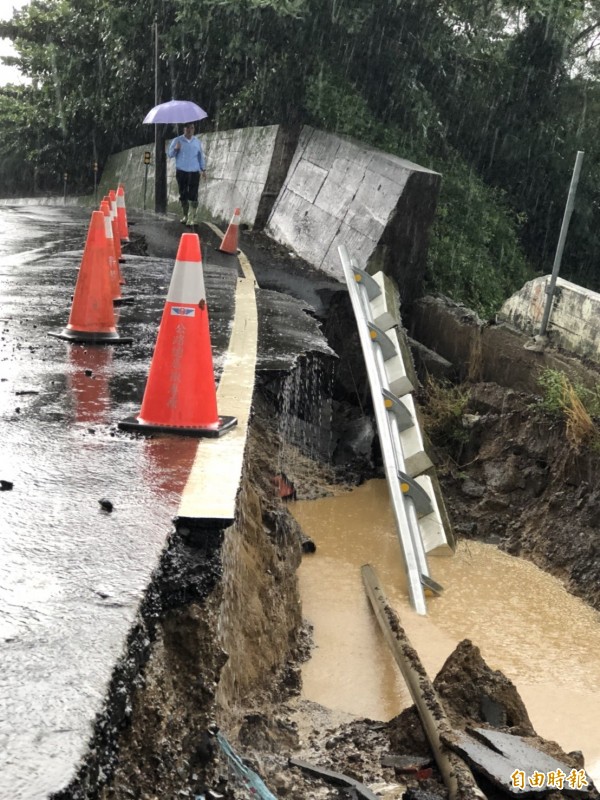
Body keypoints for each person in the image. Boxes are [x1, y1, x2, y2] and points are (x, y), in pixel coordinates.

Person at [167, 121, 206, 226]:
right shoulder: (177, 140)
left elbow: (200, 156)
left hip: (194, 172)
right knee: (183, 194)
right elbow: (170, 154)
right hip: (181, 172)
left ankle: (191, 218)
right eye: (187, 128)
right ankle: (185, 215)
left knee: (193, 194)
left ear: (194, 129)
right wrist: (176, 148)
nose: (189, 130)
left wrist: (203, 169)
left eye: (192, 128)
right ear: (184, 129)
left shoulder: (197, 142)